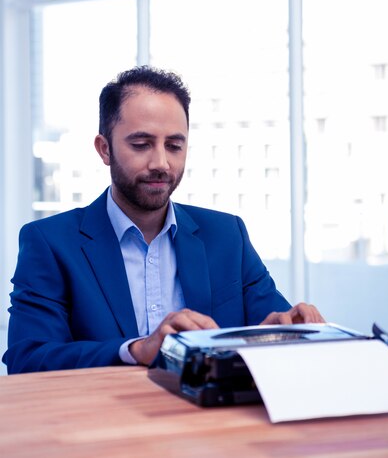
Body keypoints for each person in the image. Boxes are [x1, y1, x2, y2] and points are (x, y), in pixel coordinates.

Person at [3, 66, 324, 374]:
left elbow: (270, 326)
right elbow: (27, 359)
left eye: (174, 145)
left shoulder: (228, 235)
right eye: (141, 144)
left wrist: (280, 332)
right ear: (104, 149)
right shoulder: (50, 242)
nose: (161, 163)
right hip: (103, 423)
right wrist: (136, 350)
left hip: (211, 421)